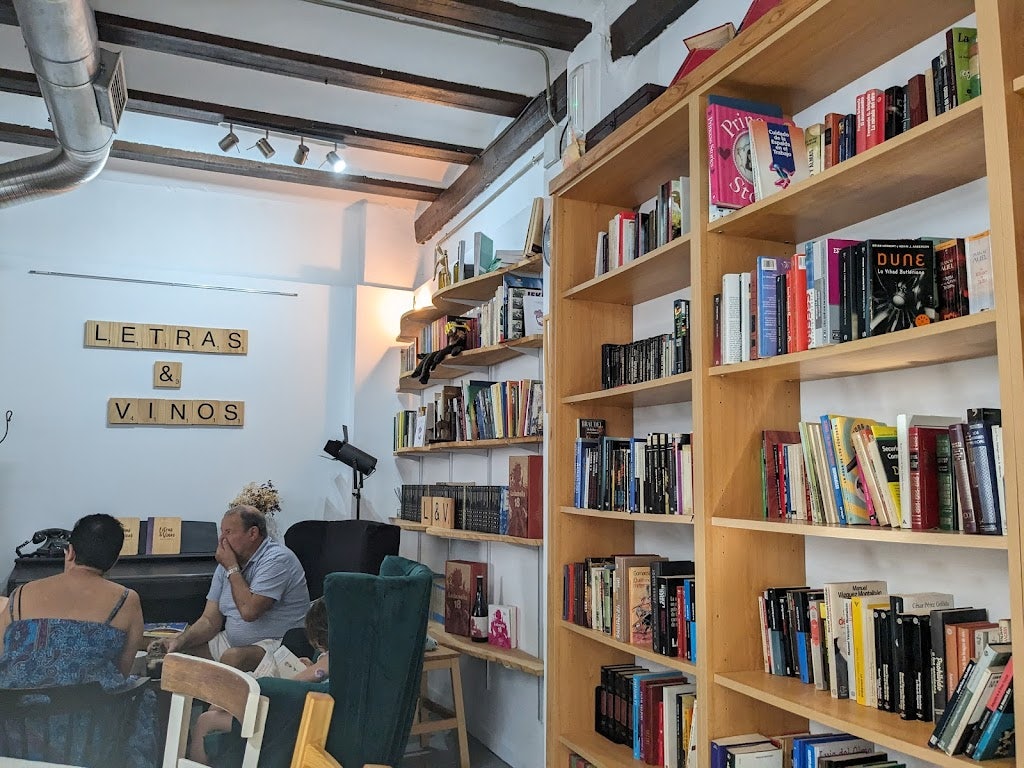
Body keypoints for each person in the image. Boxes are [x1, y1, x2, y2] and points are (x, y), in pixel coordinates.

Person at [0, 513, 157, 767]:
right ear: (114, 560)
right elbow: (122, 669)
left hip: (15, 739)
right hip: (88, 744)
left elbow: (3, 657)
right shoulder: (126, 600)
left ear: (69, 552)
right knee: (143, 696)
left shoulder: (19, 595)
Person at [152, 505, 309, 671]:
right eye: (221, 532)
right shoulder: (228, 562)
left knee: (233, 658)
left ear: (253, 534)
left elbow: (249, 612)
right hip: (232, 641)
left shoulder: (277, 559)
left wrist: (232, 568)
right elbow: (209, 620)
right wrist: (179, 641)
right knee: (178, 653)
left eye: (228, 532)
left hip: (279, 643)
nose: (222, 540)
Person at [188, 596, 331, 765]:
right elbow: (317, 673)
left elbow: (304, 679)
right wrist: (311, 667)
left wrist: (305, 674)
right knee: (215, 711)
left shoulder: (332, 659)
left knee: (206, 720)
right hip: (296, 713)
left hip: (291, 718)